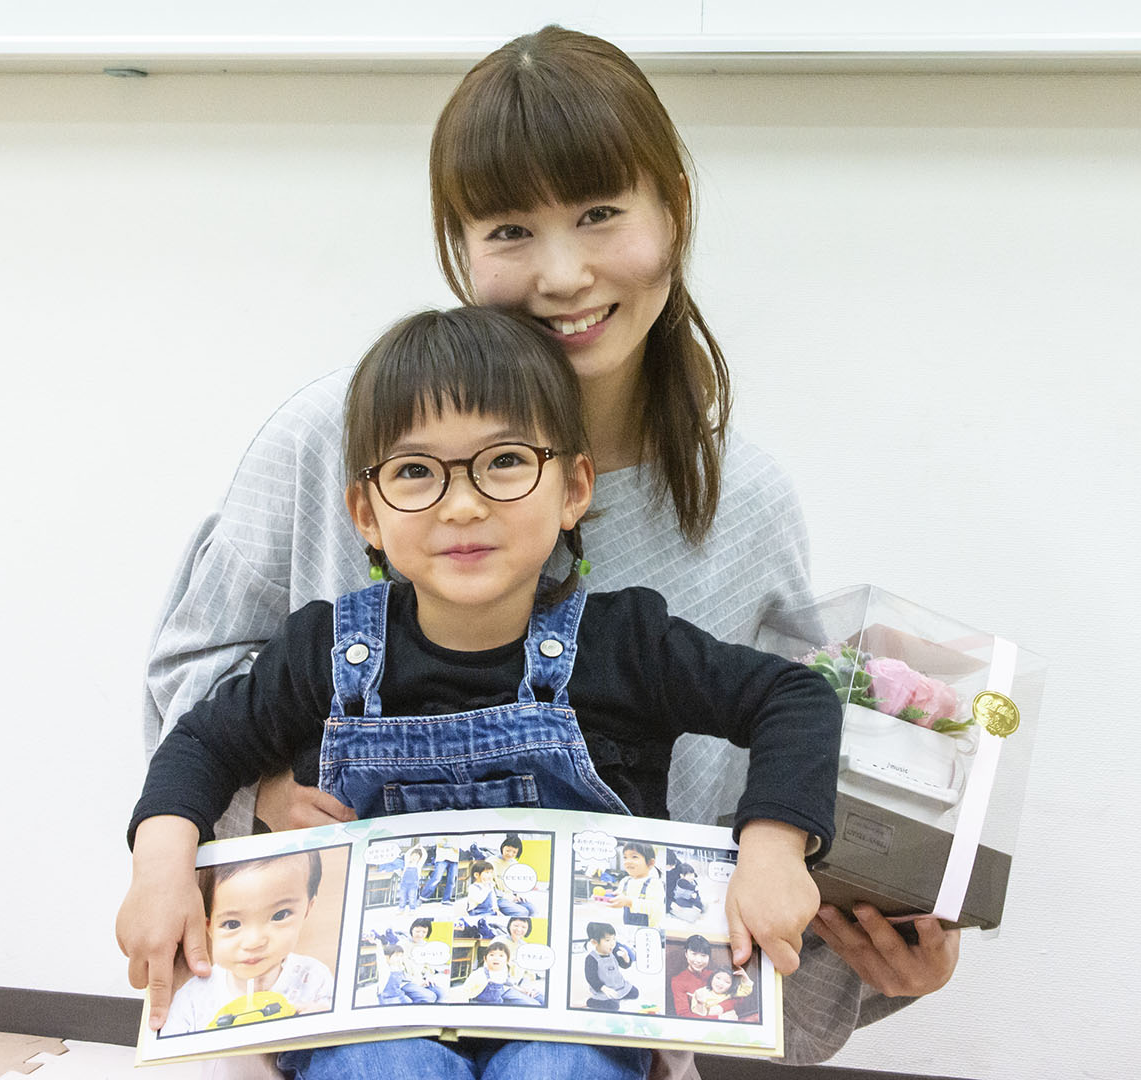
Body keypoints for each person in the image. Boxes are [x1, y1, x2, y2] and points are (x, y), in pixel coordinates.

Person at [136, 23, 958, 1070]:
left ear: (675, 210)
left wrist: (878, 924)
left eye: (601, 213)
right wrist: (262, 793)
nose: (563, 274)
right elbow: (192, 689)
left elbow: (763, 783)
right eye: (511, 230)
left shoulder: (741, 501)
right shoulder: (333, 437)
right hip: (356, 996)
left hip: (595, 1014)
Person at [119, 306, 839, 1079]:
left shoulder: (630, 643)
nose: (461, 504)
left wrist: (774, 847)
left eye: (504, 462)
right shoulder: (326, 649)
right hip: (373, 1013)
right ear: (366, 513)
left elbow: (793, 697)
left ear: (573, 489)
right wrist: (160, 868)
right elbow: (201, 742)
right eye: (415, 472)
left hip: (579, 1015)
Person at [163, 852, 335, 1035]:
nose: (254, 942)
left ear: (307, 909)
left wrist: (324, 1020)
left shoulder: (314, 978)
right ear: (209, 927)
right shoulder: (193, 999)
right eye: (232, 924)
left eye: (279, 915)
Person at [581, 922, 641, 1011]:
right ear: (594, 942)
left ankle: (617, 996)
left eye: (614, 939)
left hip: (620, 986)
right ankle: (591, 1002)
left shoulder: (613, 952)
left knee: (635, 993)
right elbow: (591, 978)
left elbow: (624, 965)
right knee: (613, 1006)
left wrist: (626, 958)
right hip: (603, 990)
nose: (612, 943)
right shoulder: (591, 958)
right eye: (608, 940)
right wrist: (603, 988)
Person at [608, 843, 665, 928]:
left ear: (650, 863)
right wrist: (608, 896)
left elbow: (656, 908)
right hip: (628, 928)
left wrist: (630, 902)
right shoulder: (625, 881)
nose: (628, 861)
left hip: (648, 930)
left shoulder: (654, 883)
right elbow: (620, 898)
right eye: (625, 857)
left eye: (634, 857)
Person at [375, 941, 440, 1006]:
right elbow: (380, 957)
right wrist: (378, 943)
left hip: (399, 994)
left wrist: (419, 983)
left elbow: (406, 978)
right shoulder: (385, 968)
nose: (399, 958)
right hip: (388, 997)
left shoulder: (399, 967)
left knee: (410, 1002)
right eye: (396, 956)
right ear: (386, 957)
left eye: (401, 956)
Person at [668, 935, 714, 1018]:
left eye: (703, 955)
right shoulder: (678, 981)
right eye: (694, 954)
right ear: (686, 954)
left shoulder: (715, 976)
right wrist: (717, 1018)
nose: (699, 960)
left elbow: (734, 999)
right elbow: (684, 1014)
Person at [688, 968, 753, 1020]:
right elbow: (697, 1013)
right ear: (712, 978)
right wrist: (700, 1003)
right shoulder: (701, 992)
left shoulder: (729, 993)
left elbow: (745, 991)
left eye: (727, 982)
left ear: (732, 986)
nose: (720, 983)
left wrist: (745, 977)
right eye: (718, 978)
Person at [397, 845, 425, 911]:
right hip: (404, 883)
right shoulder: (407, 863)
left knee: (412, 896)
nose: (414, 857)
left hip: (413, 884)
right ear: (410, 856)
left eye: (417, 856)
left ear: (419, 858)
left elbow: (425, 855)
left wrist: (421, 848)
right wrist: (414, 847)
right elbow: (407, 853)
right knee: (402, 896)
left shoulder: (419, 865)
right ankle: (401, 908)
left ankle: (412, 909)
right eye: (413, 855)